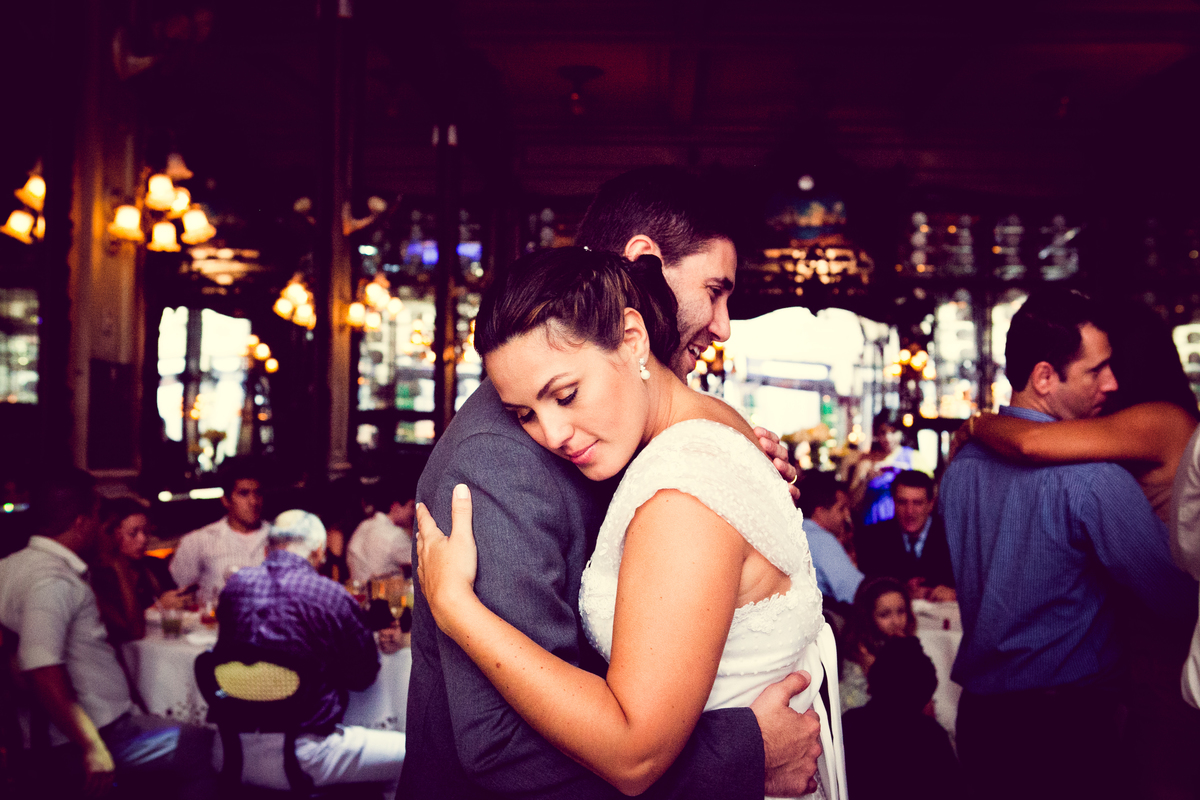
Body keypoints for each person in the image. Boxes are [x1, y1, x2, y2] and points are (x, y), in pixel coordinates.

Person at [400, 169, 816, 800]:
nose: (724, 326)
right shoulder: (499, 463)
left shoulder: (679, 444)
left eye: (565, 395)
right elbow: (502, 746)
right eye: (714, 291)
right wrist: (745, 754)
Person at [939, 288, 1197, 800]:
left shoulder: (960, 467)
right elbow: (1174, 598)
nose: (1112, 383)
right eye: (1095, 371)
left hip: (981, 719)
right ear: (1043, 377)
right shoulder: (1094, 479)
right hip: (1067, 727)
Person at [0, 469, 216, 799]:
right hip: (90, 738)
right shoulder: (53, 581)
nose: (102, 528)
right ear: (81, 522)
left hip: (57, 733)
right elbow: (40, 667)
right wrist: (92, 746)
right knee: (198, 743)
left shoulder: (11, 566)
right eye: (98, 515)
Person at [214, 509, 406, 793]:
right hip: (301, 754)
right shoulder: (329, 595)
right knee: (416, 754)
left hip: (228, 749)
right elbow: (363, 676)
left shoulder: (234, 587)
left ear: (269, 548)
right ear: (318, 550)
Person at [842, 636, 962, 800]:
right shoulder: (932, 735)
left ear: (874, 679)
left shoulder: (850, 724)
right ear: (926, 691)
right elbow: (954, 791)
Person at [90, 497, 186, 644]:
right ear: (113, 535)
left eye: (146, 532)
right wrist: (155, 608)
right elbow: (124, 629)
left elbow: (174, 603)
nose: (143, 539)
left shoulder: (154, 565)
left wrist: (181, 600)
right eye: (133, 533)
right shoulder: (100, 576)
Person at [169, 459, 270, 598]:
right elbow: (179, 594)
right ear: (226, 500)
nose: (253, 502)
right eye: (243, 493)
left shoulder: (279, 538)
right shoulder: (197, 541)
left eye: (257, 493)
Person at [855, 471, 955, 601]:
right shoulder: (871, 538)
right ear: (893, 502)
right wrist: (902, 590)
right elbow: (866, 590)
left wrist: (955, 593)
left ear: (931, 504)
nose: (910, 512)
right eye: (902, 502)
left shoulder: (953, 537)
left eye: (917, 503)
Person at [839, 576, 915, 713]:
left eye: (901, 611)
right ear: (867, 617)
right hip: (862, 710)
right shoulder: (862, 648)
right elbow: (888, 689)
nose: (896, 621)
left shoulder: (902, 643)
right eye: (884, 615)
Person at [847, 411, 924, 526]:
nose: (888, 438)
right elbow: (851, 504)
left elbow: (929, 495)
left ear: (901, 433)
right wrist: (866, 480)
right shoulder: (867, 462)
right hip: (873, 527)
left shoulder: (914, 458)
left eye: (893, 432)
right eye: (883, 432)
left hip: (904, 526)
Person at [798, 470, 863, 605]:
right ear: (820, 512)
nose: (847, 516)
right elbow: (856, 592)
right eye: (841, 509)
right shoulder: (821, 540)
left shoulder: (798, 533)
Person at [347, 473, 416, 582]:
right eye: (411, 506)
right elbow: (422, 564)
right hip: (384, 591)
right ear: (396, 507)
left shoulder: (363, 526)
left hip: (358, 590)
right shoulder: (395, 534)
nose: (414, 512)